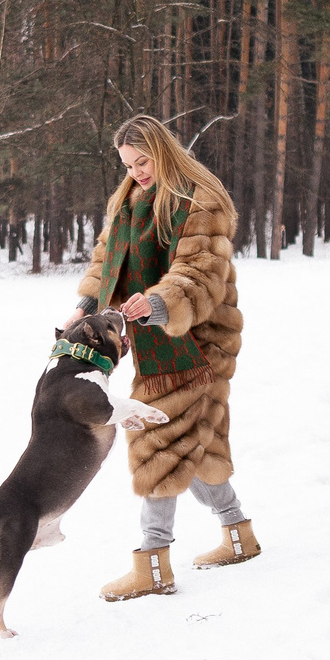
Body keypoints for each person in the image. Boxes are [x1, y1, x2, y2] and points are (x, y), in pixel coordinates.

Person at [75, 114, 259, 600]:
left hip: (198, 342)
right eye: (128, 165)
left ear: (163, 149)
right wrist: (87, 306)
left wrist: (158, 303)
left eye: (143, 160)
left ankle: (153, 567)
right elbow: (105, 260)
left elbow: (200, 273)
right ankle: (239, 535)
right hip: (160, 340)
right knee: (196, 449)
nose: (136, 171)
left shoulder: (200, 200)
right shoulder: (129, 199)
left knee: (155, 439)